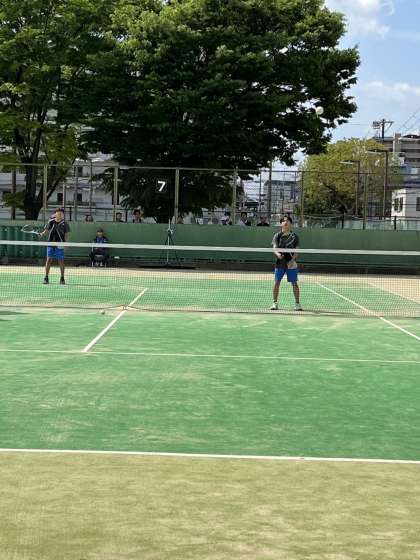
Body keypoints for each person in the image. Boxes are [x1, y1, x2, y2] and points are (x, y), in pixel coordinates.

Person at [271, 216, 302, 311]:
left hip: (291, 263)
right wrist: (278, 255)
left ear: (291, 224)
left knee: (294, 284)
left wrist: (292, 261)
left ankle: (297, 304)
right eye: (284, 221)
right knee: (277, 283)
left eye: (288, 221)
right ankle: (275, 303)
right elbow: (274, 248)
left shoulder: (295, 236)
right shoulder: (277, 235)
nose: (286, 222)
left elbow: (297, 251)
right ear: (281, 223)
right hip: (280, 263)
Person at [40, 207, 70, 285]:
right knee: (48, 260)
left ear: (63, 215)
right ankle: (46, 277)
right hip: (50, 243)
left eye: (61, 214)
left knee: (61, 261)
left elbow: (67, 235)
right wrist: (42, 234)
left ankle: (62, 278)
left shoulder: (65, 223)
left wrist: (66, 244)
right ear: (55, 214)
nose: (60, 214)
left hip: (60, 244)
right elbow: (46, 231)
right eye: (58, 213)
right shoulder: (51, 221)